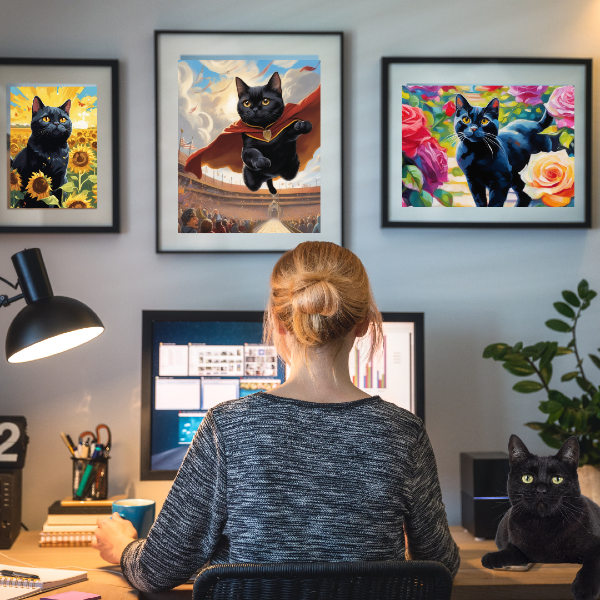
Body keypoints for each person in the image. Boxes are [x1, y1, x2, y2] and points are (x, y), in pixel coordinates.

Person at [92, 242, 460, 591]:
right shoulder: (404, 432)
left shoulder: (227, 427)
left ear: (280, 324)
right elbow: (440, 565)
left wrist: (123, 547)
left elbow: (157, 571)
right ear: (364, 324)